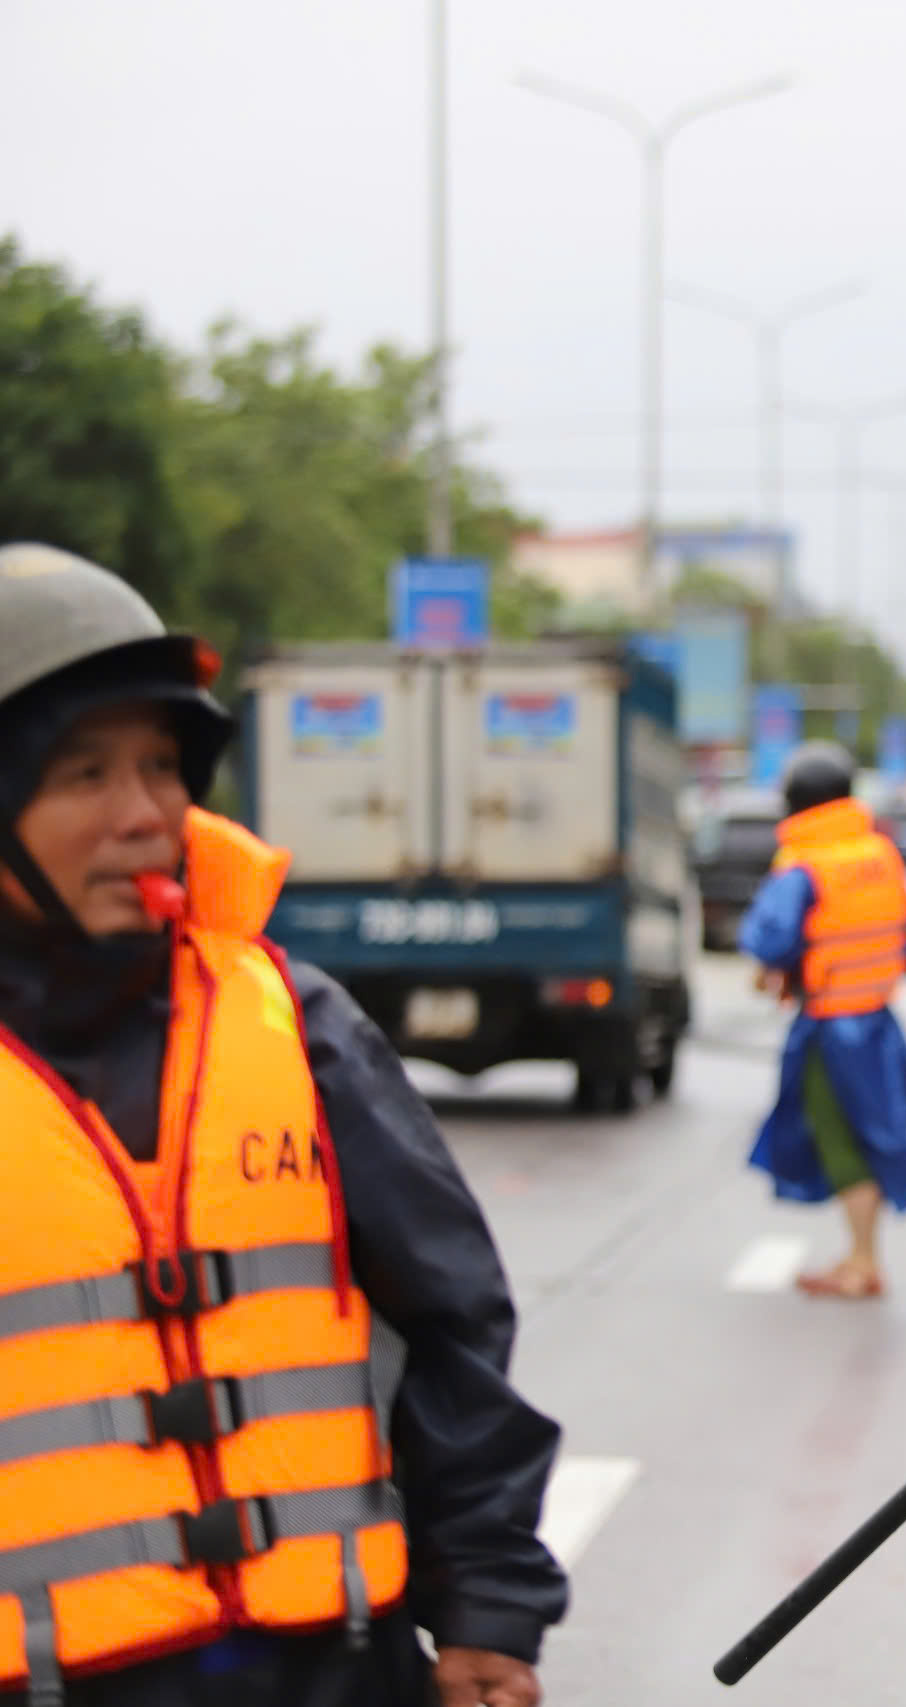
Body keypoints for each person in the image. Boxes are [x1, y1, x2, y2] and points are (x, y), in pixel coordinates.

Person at [0, 544, 565, 1706]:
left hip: (333, 1670)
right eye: (84, 774)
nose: (145, 813)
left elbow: (454, 1325)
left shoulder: (293, 1025)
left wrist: (485, 1613)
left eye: (163, 767)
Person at [741, 741, 906, 1300]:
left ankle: (863, 1263)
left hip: (830, 1028)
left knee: (841, 1138)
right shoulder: (880, 853)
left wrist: (775, 970)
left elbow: (770, 938)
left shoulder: (803, 865)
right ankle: (860, 1255)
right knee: (874, 1133)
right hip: (879, 1022)